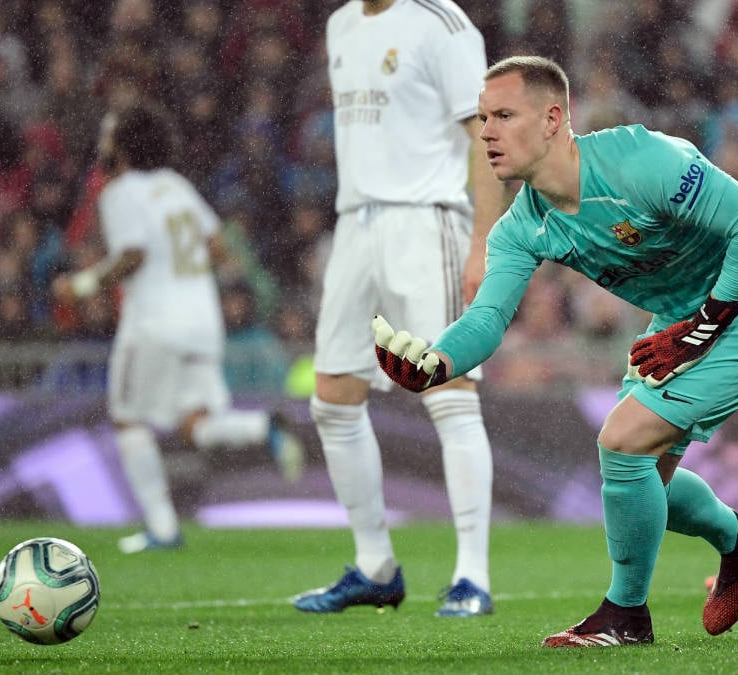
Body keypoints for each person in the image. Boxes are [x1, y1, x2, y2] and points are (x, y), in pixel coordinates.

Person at [370, 55, 738, 646]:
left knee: (624, 442)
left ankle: (627, 616)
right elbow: (487, 318)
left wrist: (703, 327)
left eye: (504, 115)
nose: (487, 133)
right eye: (482, 119)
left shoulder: (644, 161)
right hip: (681, 326)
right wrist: (437, 364)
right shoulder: (520, 226)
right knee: (638, 472)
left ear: (554, 118)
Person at [291, 0, 512, 618]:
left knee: (449, 392)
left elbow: (486, 137)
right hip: (354, 223)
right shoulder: (340, 24)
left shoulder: (441, 22)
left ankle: (473, 575)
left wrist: (482, 244)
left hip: (427, 220)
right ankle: (375, 566)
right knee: (332, 396)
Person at [52, 105, 304, 555]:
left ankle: (162, 527)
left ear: (125, 146)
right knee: (197, 425)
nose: (102, 142)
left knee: (128, 418)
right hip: (203, 320)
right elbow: (219, 245)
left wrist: (82, 284)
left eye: (109, 133)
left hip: (153, 321)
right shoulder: (177, 186)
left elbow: (132, 254)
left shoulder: (119, 191)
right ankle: (261, 426)